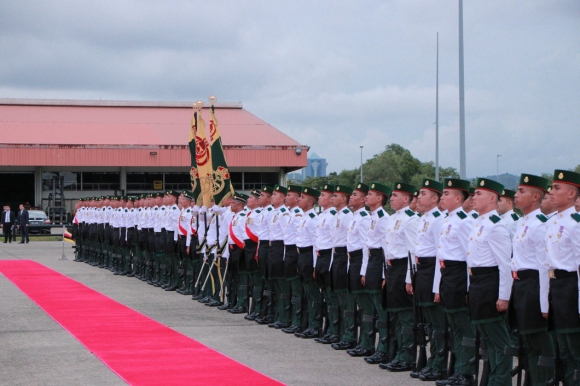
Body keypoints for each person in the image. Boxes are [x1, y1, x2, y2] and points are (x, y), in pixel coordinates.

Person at [510, 173, 555, 386]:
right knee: (527, 342)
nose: (516, 195)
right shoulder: (522, 223)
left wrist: (544, 303)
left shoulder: (540, 224)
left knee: (540, 344)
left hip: (534, 286)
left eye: (521, 192)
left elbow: (543, 266)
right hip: (520, 286)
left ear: (536, 196)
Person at [468, 178, 513, 386]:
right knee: (488, 339)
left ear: (492, 198)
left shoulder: (496, 226)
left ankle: (500, 381)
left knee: (499, 341)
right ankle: (492, 379)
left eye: (478, 194)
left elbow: (505, 265)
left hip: (489, 284)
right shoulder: (478, 222)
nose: (474, 197)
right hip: (478, 283)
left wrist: (503, 296)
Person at [434, 179, 476, 386]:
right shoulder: (448, 220)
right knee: (455, 327)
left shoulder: (464, 221)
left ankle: (466, 372)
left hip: (459, 275)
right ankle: (457, 370)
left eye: (447, 194)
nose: (442, 197)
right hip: (447, 274)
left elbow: (470, 257)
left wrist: (469, 287)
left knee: (463, 326)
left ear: (458, 198)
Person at [408, 179, 447, 381]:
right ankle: (431, 361)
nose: (418, 197)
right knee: (428, 321)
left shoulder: (438, 219)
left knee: (437, 321)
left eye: (423, 194)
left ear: (434, 199)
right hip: (422, 269)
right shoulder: (424, 218)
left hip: (433, 270)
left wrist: (437, 286)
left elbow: (441, 256)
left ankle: (439, 363)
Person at [544, 169, 580, 386]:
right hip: (555, 288)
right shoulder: (551, 222)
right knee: (563, 350)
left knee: (575, 350)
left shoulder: (576, 224)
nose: (552, 192)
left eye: (557, 188)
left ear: (571, 193)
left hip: (570, 288)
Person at [380, 182, 420, 372]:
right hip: (392, 268)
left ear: (406, 198)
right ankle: (397, 352)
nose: (392, 198)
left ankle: (407, 356)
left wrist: (409, 278)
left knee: (405, 315)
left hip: (404, 267)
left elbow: (413, 251)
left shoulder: (411, 219)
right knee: (395, 313)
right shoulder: (393, 218)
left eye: (396, 195)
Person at [358, 182, 391, 364]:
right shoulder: (372, 217)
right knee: (373, 304)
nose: (367, 197)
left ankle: (384, 348)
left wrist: (386, 274)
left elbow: (386, 247)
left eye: (370, 194)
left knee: (381, 308)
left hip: (379, 261)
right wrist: (364, 271)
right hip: (372, 261)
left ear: (379, 198)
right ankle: (374, 346)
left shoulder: (383, 218)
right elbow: (366, 247)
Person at [344, 183, 372, 354]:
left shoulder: (364, 218)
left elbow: (365, 246)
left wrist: (363, 270)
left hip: (360, 261)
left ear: (362, 200)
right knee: (357, 302)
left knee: (365, 305)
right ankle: (359, 340)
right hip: (352, 261)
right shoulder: (355, 216)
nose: (350, 197)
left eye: (354, 195)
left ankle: (367, 342)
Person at [328, 184, 356, 349]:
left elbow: (348, 241)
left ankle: (349, 335)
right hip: (336, 256)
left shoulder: (347, 215)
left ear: (343, 199)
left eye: (335, 196)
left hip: (344, 257)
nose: (332, 198)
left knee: (346, 301)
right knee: (338, 298)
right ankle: (340, 332)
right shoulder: (338, 215)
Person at [314, 184, 340, 343]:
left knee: (332, 296)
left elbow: (333, 242)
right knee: (326, 296)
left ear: (331, 199)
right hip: (321, 257)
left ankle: (334, 330)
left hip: (330, 256)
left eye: (323, 195)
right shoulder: (322, 215)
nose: (319, 198)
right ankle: (328, 329)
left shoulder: (332, 216)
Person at [293, 186, 320, 339]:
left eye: (302, 198)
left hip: (309, 256)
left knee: (313, 293)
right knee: (307, 293)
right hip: (301, 256)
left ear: (310, 202)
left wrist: (315, 266)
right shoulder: (303, 217)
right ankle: (308, 324)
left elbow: (315, 245)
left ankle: (314, 326)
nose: (299, 199)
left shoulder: (312, 220)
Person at [280, 185, 304, 333]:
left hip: (295, 252)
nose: (286, 197)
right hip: (287, 251)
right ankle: (290, 319)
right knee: (290, 287)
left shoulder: (298, 214)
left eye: (289, 195)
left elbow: (298, 238)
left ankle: (297, 321)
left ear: (296, 199)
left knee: (296, 289)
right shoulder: (289, 213)